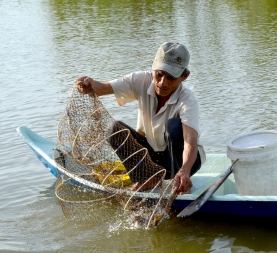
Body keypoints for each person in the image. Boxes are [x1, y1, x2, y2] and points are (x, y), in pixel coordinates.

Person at [76, 42, 205, 195]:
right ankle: (146, 177)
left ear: (184, 76)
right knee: (114, 129)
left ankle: (179, 181)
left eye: (171, 77)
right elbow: (102, 88)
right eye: (159, 74)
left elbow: (190, 142)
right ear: (153, 68)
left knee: (174, 127)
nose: (162, 82)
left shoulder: (187, 101)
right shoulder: (140, 80)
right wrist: (89, 84)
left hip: (182, 161)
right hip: (152, 158)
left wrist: (185, 170)